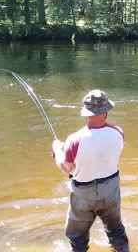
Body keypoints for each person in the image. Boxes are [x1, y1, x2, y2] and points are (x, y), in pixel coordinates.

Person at [52, 89, 129, 252]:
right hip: (110, 190)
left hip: (83, 195)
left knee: (77, 240)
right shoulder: (118, 132)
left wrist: (58, 151)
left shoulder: (74, 139)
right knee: (116, 233)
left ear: (86, 113)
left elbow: (66, 168)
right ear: (106, 110)